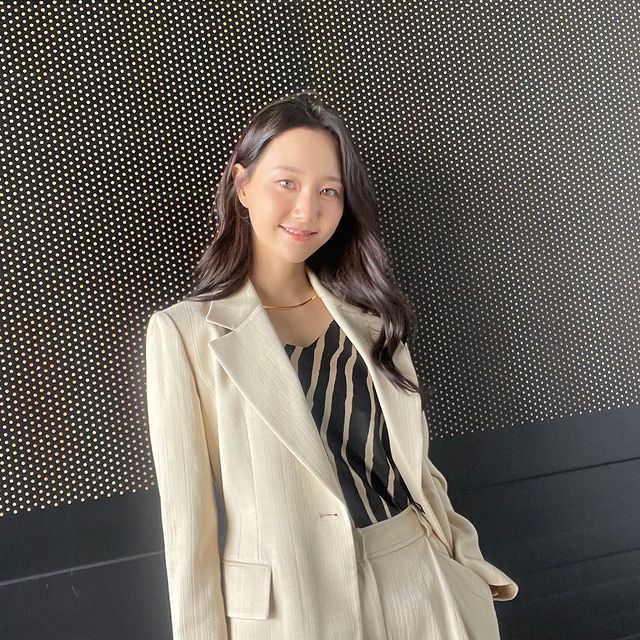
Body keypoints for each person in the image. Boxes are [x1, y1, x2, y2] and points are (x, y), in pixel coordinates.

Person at [145, 92, 518, 640]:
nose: (307, 210)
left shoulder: (370, 318)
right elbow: (186, 527)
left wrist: (463, 560)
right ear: (242, 185)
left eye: (328, 191)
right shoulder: (184, 334)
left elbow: (415, 465)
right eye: (286, 183)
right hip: (291, 610)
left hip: (419, 583)